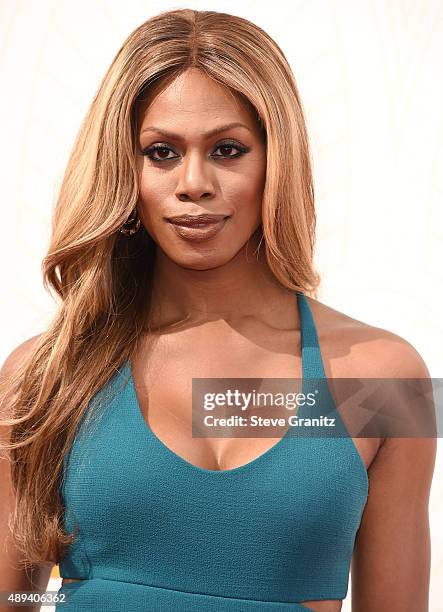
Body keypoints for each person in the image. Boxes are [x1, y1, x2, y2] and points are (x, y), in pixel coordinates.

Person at [0, 8, 436, 612]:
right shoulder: (44, 375)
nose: (194, 183)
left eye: (228, 149)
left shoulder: (384, 377)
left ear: (275, 159)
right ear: (124, 168)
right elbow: (13, 595)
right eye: (161, 153)